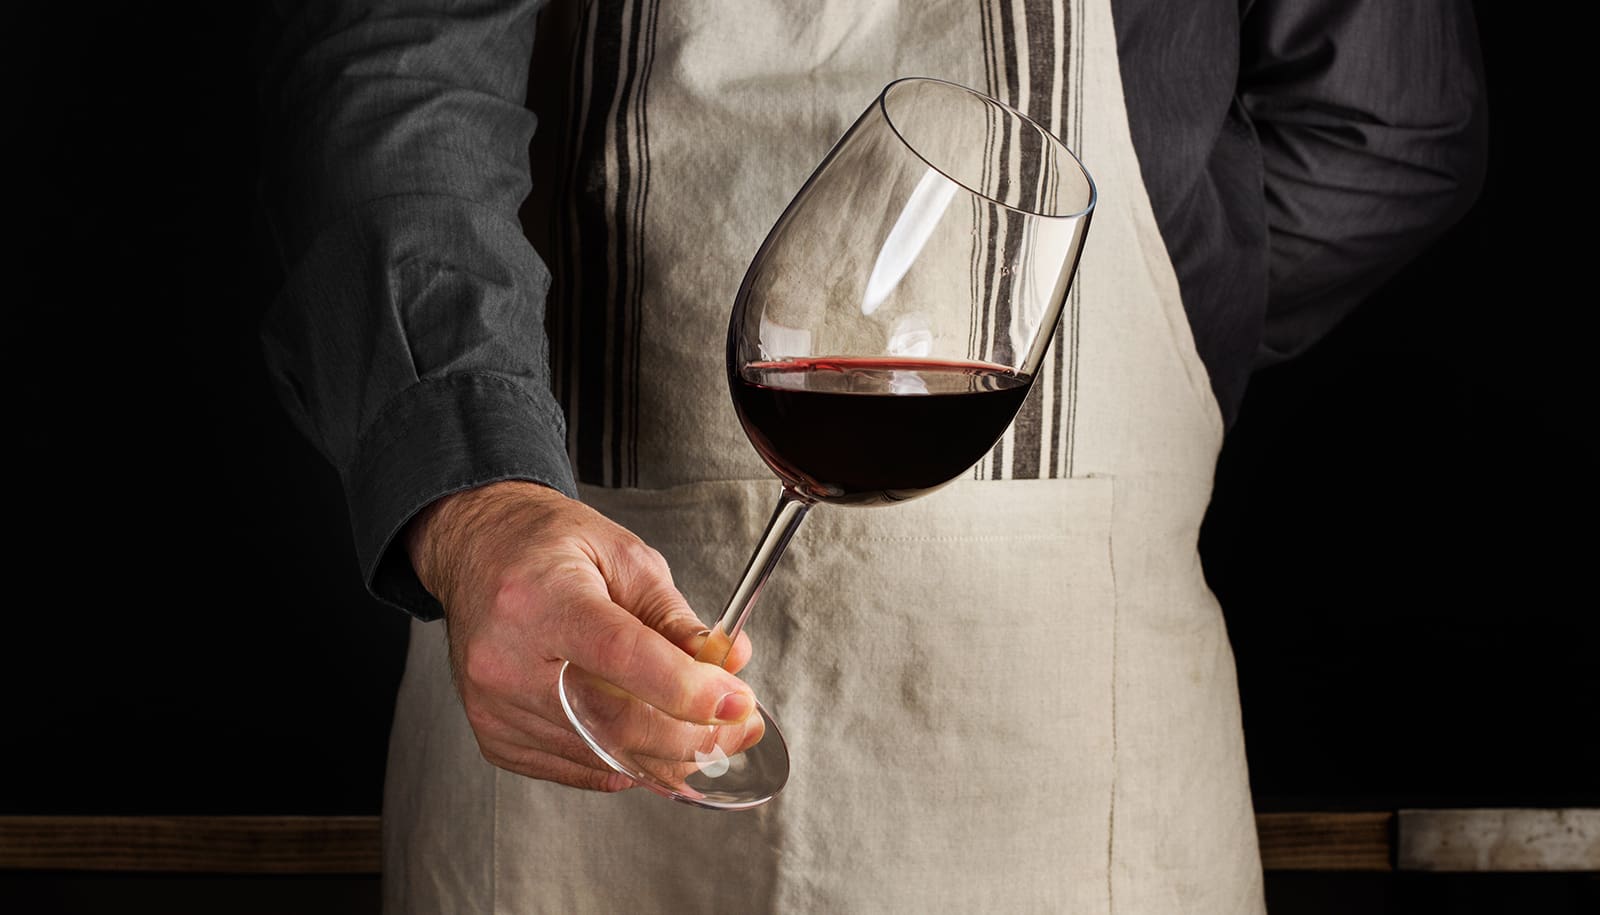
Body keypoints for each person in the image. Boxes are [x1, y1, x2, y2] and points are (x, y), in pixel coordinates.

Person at [256, 0, 1486, 911]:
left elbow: (1386, 125)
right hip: (551, 664)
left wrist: (1133, 311)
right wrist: (482, 508)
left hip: (1065, 728)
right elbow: (393, 63)